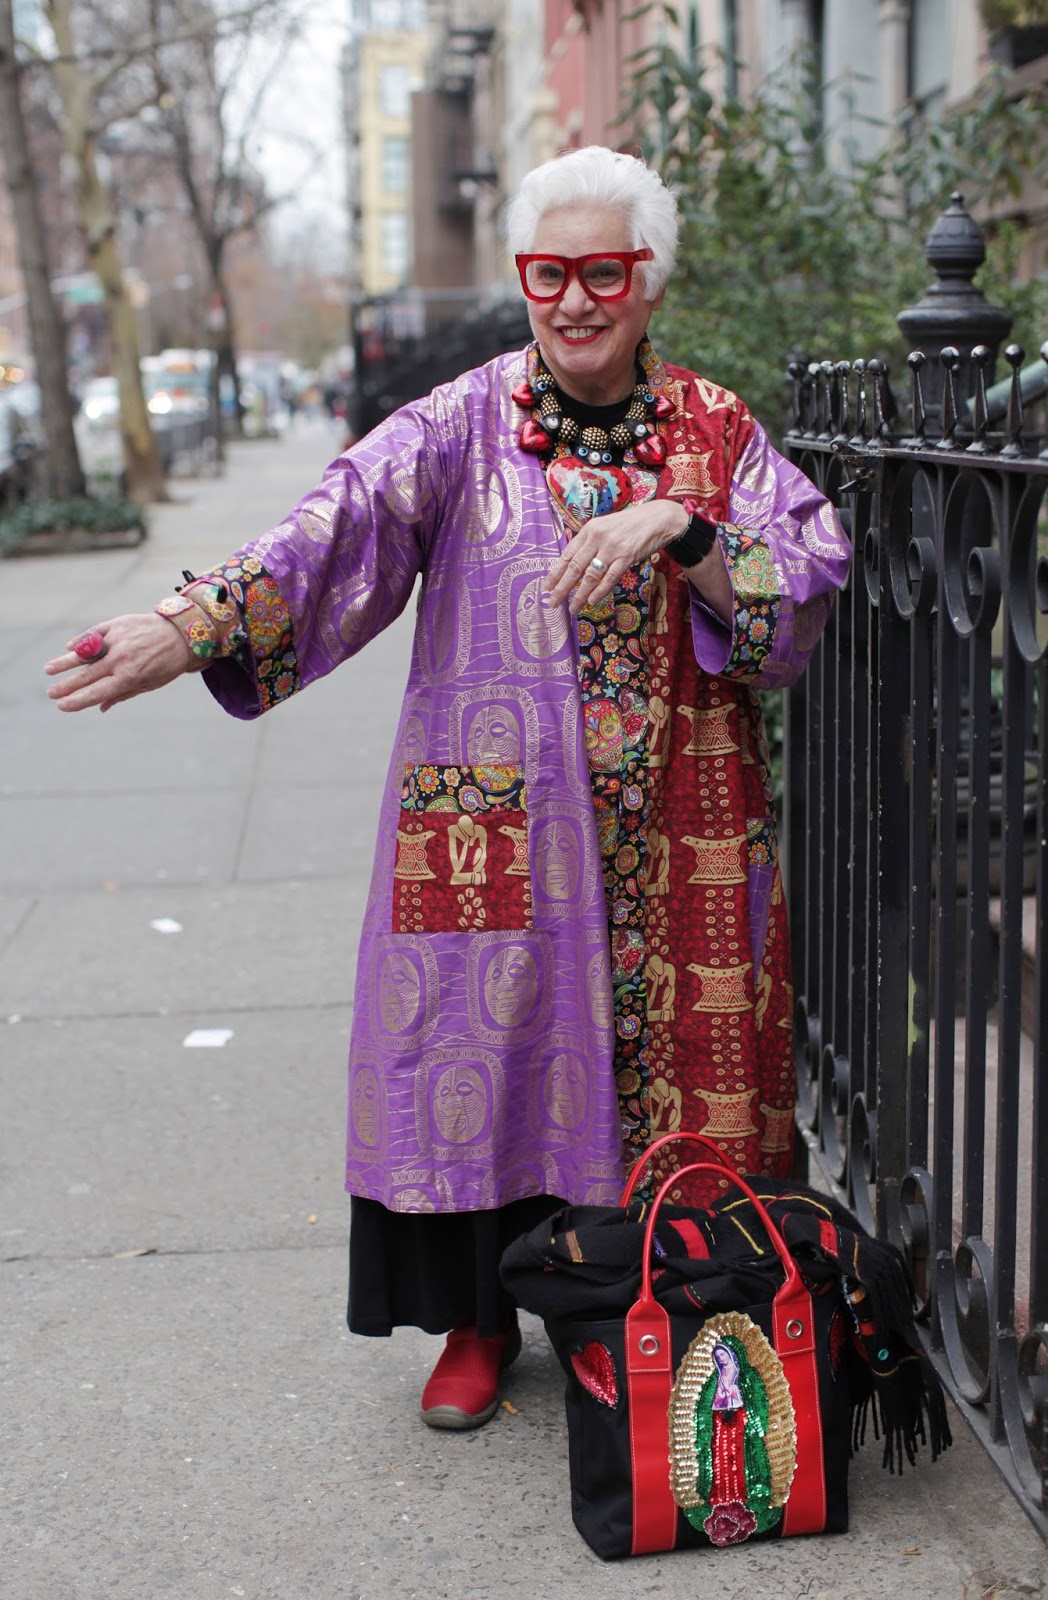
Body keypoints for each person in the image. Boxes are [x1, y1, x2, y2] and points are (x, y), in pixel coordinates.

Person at [44, 147, 850, 1433]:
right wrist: (189, 627)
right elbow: (332, 529)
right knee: (485, 1062)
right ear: (523, 280)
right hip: (495, 824)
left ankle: (661, 1312)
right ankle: (479, 1321)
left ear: (649, 282)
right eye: (549, 272)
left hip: (682, 825)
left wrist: (682, 527)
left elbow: (804, 583)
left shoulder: (717, 430)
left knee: (677, 1078)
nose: (574, 299)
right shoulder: (461, 423)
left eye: (604, 272)